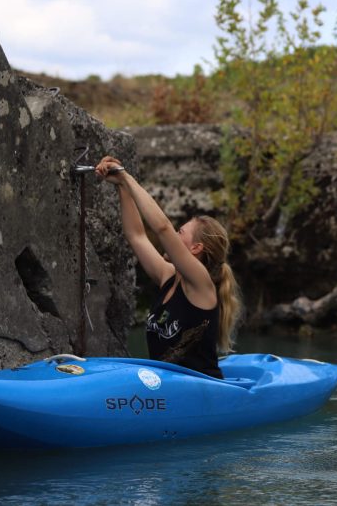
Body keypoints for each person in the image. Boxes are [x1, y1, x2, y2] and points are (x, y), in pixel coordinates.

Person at [95, 155, 242, 378]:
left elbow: (162, 228)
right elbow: (136, 236)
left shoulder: (200, 283)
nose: (174, 235)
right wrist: (121, 186)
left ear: (196, 248)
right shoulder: (169, 276)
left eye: (180, 232)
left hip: (200, 391)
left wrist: (126, 175)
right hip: (166, 387)